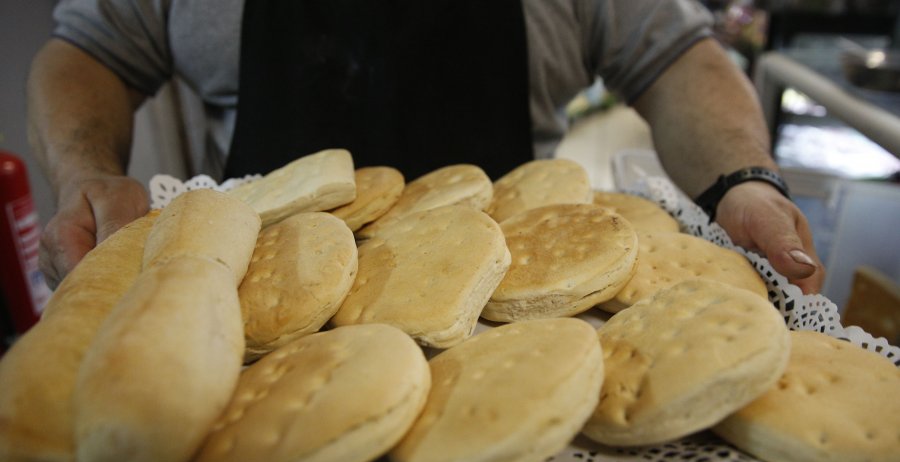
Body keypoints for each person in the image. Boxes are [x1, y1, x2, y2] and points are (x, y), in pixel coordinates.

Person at [27, 0, 824, 294]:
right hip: (266, 303)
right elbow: (94, 48)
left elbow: (676, 56)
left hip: (532, 291)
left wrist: (742, 182)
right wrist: (87, 170)